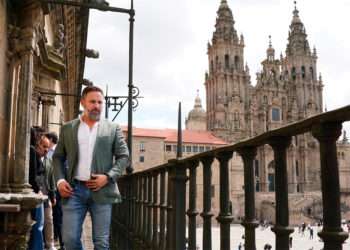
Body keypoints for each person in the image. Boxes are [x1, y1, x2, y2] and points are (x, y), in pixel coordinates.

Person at [53, 86, 129, 250]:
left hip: (102, 190)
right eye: (93, 101)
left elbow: (124, 156)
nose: (97, 106)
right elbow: (58, 157)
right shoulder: (68, 128)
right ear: (83, 103)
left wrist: (108, 177)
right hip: (74, 190)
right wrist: (59, 181)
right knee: (70, 240)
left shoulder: (112, 128)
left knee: (101, 243)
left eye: (100, 102)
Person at [28, 133, 51, 250]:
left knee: (40, 225)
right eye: (44, 146)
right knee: (38, 226)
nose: (46, 150)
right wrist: (38, 191)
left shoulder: (38, 157)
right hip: (37, 195)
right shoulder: (32, 152)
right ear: (38, 145)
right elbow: (32, 176)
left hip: (40, 195)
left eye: (48, 147)